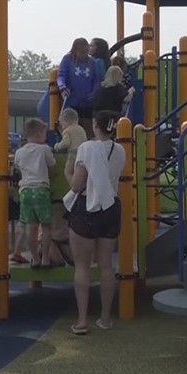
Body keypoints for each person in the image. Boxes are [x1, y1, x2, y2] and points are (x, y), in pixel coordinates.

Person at [65, 110, 127, 335]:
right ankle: (106, 317)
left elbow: (76, 184)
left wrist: (67, 172)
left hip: (87, 207)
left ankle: (82, 320)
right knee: (106, 265)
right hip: (111, 206)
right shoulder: (120, 150)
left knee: (82, 266)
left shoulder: (87, 149)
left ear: (95, 125)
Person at [13, 119, 56, 268]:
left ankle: (35, 257)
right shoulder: (44, 149)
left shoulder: (19, 152)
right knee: (46, 226)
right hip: (41, 190)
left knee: (31, 227)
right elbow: (52, 166)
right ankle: (45, 258)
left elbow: (17, 167)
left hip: (25, 191)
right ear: (39, 134)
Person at [57, 38, 101, 135]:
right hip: (71, 102)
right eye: (81, 52)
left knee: (88, 130)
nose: (84, 55)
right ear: (75, 50)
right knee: (70, 130)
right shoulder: (67, 60)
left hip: (87, 104)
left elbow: (96, 80)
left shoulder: (92, 62)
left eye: (86, 52)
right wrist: (62, 87)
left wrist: (95, 92)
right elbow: (61, 75)